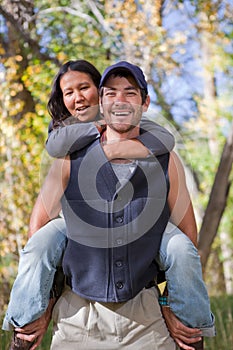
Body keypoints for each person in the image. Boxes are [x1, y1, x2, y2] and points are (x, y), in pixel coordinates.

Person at [3, 61, 215, 350]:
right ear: (101, 102)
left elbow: (188, 240)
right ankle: (22, 332)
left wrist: (168, 301)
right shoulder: (68, 156)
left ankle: (195, 333)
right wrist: (46, 301)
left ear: (145, 102)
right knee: (45, 240)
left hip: (147, 320)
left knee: (179, 248)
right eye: (111, 93)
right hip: (78, 320)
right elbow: (38, 231)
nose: (120, 101)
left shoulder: (166, 159)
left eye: (130, 93)